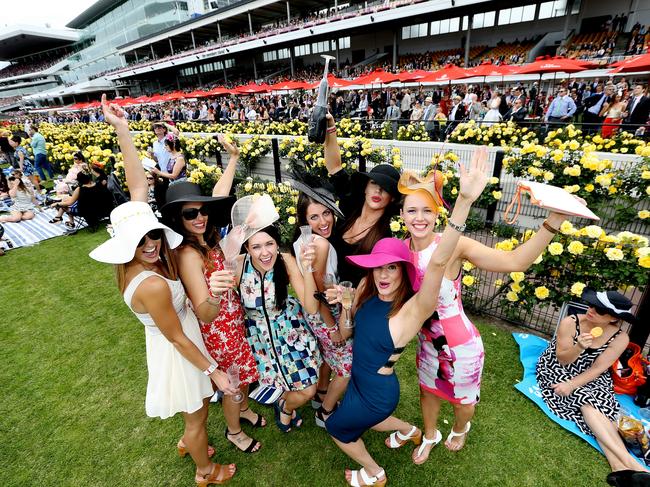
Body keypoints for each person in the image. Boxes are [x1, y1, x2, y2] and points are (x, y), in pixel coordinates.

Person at [389, 159, 585, 464]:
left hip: (461, 344)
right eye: (412, 210)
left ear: (437, 214)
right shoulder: (398, 251)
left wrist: (554, 221)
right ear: (401, 215)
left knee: (463, 401)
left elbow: (516, 262)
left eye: (427, 210)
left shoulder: (454, 245)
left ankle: (459, 427)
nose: (419, 217)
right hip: (426, 342)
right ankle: (430, 435)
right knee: (427, 391)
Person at [91, 94, 236, 486]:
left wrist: (122, 129)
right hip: (180, 349)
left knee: (196, 414)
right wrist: (215, 372)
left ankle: (192, 443)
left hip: (178, 340)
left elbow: (137, 184)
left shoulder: (136, 264)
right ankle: (205, 470)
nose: (152, 245)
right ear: (126, 246)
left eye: (153, 235)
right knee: (199, 413)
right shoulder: (152, 283)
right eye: (142, 242)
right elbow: (175, 336)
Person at [323, 153, 488, 486]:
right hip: (358, 382)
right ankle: (412, 430)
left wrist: (465, 203)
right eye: (378, 267)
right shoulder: (367, 297)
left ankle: (375, 473)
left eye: (392, 268)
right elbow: (345, 333)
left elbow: (439, 262)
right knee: (368, 419)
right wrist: (344, 306)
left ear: (405, 272)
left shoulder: (411, 309)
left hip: (379, 391)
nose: (384, 274)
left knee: (336, 427)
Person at [161, 139, 266, 454]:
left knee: (244, 374)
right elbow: (205, 313)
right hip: (218, 330)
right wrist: (218, 293)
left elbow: (219, 194)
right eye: (190, 213)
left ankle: (244, 410)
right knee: (233, 381)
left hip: (234, 321)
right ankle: (234, 430)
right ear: (177, 220)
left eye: (203, 211)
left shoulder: (207, 238)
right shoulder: (188, 255)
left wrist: (233, 157)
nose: (199, 217)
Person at [536, 289, 650, 487]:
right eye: (592, 305)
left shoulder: (620, 338)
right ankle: (635, 467)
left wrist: (572, 384)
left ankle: (619, 469)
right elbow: (562, 360)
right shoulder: (571, 322)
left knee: (592, 405)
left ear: (614, 318)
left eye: (599, 310)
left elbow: (598, 368)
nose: (591, 310)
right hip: (558, 367)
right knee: (587, 401)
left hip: (592, 374)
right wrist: (579, 347)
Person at [233, 216, 322, 433]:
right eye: (256, 247)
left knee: (308, 390)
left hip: (290, 331)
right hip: (259, 339)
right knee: (279, 382)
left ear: (277, 243)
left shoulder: (285, 260)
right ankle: (283, 400)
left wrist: (308, 268)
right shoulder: (237, 265)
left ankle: (284, 406)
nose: (265, 253)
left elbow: (311, 307)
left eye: (269, 244)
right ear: (247, 247)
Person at [290, 180, 353, 428]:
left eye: (326, 213)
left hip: (318, 313)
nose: (323, 221)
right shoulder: (320, 244)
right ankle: (325, 412)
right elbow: (318, 293)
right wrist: (332, 327)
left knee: (328, 357)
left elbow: (321, 283)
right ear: (304, 220)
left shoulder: (304, 241)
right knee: (347, 367)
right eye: (314, 217)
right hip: (325, 315)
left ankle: (321, 394)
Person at [323, 114, 401, 286]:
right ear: (365, 187)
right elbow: (334, 167)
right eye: (374, 183)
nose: (378, 190)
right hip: (325, 289)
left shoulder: (384, 236)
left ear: (392, 198)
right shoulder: (350, 207)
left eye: (386, 188)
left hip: (352, 302)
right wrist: (330, 127)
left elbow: (376, 281)